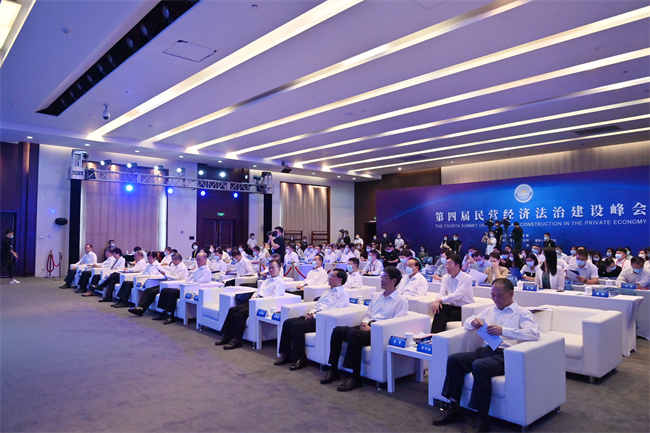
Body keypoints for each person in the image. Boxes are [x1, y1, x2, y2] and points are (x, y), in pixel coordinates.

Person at [432, 278, 540, 433]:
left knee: (480, 366)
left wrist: (504, 331)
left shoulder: (521, 313)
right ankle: (454, 408)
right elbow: (469, 320)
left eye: (499, 296)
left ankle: (482, 418)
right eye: (493, 295)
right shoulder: (490, 310)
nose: (495, 299)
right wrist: (473, 322)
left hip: (507, 355)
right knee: (455, 359)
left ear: (511, 294)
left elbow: (534, 333)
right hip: (487, 350)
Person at [321, 266, 408, 391]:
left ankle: (355, 377)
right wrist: (364, 323)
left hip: (379, 332)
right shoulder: (376, 296)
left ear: (394, 281)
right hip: (368, 326)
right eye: (381, 277)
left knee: (354, 334)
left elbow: (396, 324)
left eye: (385, 277)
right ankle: (333, 369)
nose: (381, 279)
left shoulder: (401, 301)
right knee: (338, 330)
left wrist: (372, 329)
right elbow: (368, 314)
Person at [275, 268, 350, 370]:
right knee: (287, 322)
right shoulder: (327, 292)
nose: (329, 278)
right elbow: (317, 305)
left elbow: (334, 311)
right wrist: (311, 312)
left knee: (297, 326)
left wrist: (315, 316)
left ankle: (301, 358)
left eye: (332, 276)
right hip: (314, 316)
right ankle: (286, 354)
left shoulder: (343, 295)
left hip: (323, 320)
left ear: (340, 279)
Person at [215, 259, 286, 349]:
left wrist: (258, 300)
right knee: (232, 310)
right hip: (255, 301)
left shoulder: (280, 283)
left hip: (263, 305)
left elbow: (273, 298)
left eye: (273, 268)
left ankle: (237, 340)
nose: (271, 270)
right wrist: (254, 297)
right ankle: (226, 336)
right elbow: (258, 291)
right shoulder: (266, 281)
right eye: (270, 268)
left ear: (279, 269)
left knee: (241, 313)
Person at [153, 253, 212, 324]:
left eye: (199, 260)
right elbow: (188, 279)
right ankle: (164, 313)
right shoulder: (197, 270)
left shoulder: (207, 271)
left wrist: (184, 287)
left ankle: (171, 316)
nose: (197, 262)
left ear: (205, 259)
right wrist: (182, 286)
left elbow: (198, 284)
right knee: (164, 290)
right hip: (186, 287)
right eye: (197, 260)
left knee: (172, 293)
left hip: (192, 289)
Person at [431, 254, 475, 333]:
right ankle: (436, 336)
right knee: (440, 309)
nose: (447, 266)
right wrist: (437, 300)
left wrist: (439, 300)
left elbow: (456, 295)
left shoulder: (467, 278)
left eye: (450, 264)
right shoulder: (445, 277)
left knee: (441, 312)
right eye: (446, 264)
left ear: (457, 266)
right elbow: (442, 292)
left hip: (464, 309)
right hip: (451, 307)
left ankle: (434, 336)